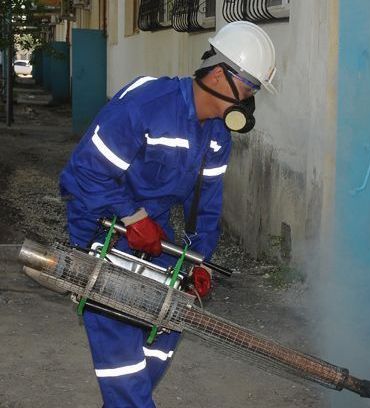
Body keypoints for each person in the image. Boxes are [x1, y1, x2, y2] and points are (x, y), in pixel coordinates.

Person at [59, 21, 276, 407]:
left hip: (151, 231)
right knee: (120, 342)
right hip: (101, 224)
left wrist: (198, 263)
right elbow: (83, 174)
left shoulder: (216, 136)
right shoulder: (146, 105)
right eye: (249, 88)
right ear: (219, 74)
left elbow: (205, 209)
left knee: (169, 322)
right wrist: (131, 216)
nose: (249, 101)